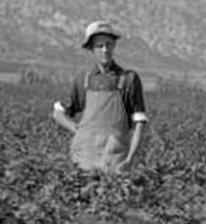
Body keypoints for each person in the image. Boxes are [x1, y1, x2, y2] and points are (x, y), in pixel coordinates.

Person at [52, 21, 148, 173]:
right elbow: (58, 113)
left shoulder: (129, 79)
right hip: (83, 157)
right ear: (91, 49)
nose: (105, 50)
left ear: (114, 46)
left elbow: (139, 124)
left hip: (115, 158)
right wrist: (78, 131)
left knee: (113, 195)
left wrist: (130, 159)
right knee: (80, 194)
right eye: (99, 46)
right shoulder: (83, 80)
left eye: (109, 44)